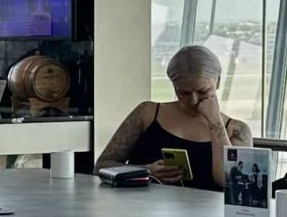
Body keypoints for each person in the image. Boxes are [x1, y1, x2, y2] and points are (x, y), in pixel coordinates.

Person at [96, 44, 250, 188]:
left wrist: (215, 121)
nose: (194, 100)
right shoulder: (147, 113)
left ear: (217, 82)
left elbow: (229, 181)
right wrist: (145, 170)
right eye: (184, 93)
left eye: (203, 92)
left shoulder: (236, 129)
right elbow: (101, 166)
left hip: (206, 214)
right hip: (143, 209)